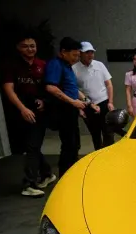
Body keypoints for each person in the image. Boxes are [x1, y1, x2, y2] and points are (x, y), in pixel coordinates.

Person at [2, 33, 55, 198]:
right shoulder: (12, 66)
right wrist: (22, 109)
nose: (30, 49)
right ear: (18, 48)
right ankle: (46, 173)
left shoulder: (43, 65)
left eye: (32, 46)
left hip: (39, 112)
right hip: (20, 111)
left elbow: (49, 87)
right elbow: (8, 89)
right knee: (31, 146)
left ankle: (29, 183)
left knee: (32, 146)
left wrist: (44, 102)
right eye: (25, 46)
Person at [44, 37, 98, 177]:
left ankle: (73, 172)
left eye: (78, 55)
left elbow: (72, 88)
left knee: (75, 144)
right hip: (63, 110)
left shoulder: (67, 65)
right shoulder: (56, 65)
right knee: (69, 145)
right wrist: (73, 102)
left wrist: (88, 102)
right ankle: (65, 175)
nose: (76, 58)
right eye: (74, 55)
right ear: (63, 52)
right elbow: (51, 87)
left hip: (71, 110)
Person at [73, 41, 115, 151]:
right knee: (95, 133)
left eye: (92, 52)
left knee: (108, 132)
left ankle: (109, 154)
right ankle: (98, 155)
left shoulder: (99, 65)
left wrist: (110, 102)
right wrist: (79, 108)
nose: (90, 55)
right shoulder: (74, 68)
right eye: (87, 52)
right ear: (80, 53)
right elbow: (74, 90)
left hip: (104, 102)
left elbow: (109, 84)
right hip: (87, 105)